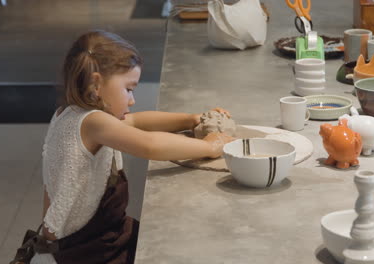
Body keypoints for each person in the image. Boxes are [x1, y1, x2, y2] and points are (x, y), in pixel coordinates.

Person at [30, 30, 234, 264]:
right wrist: (209, 146)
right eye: (129, 89)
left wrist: (190, 119)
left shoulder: (76, 114)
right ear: (96, 84)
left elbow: (137, 121)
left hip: (97, 238)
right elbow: (150, 145)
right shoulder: (92, 123)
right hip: (80, 253)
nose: (132, 100)